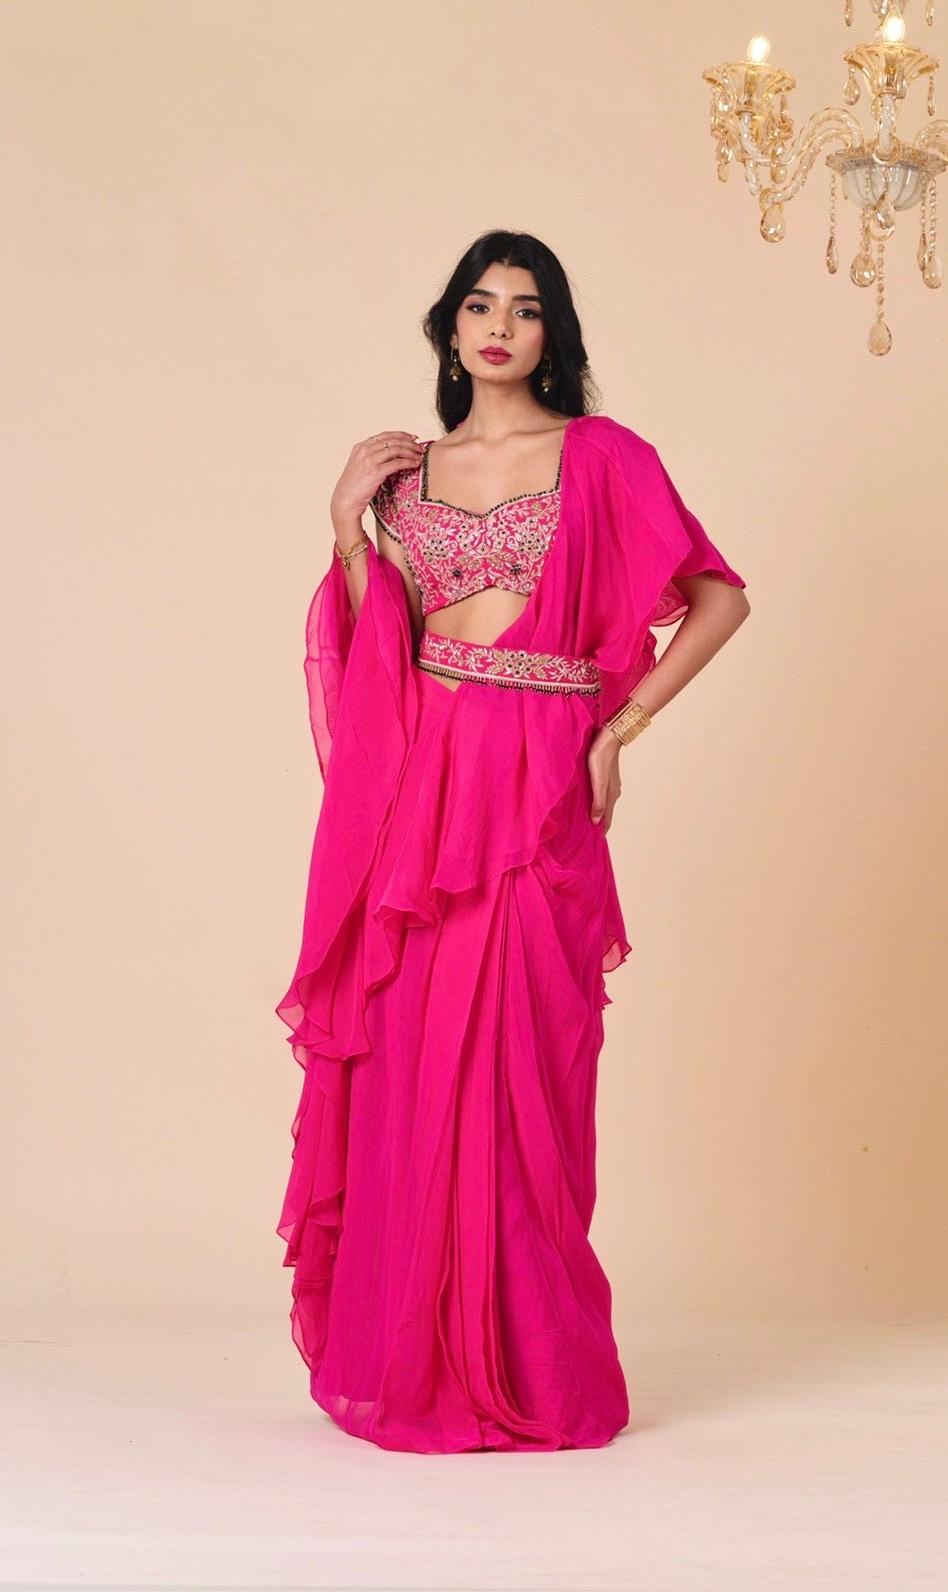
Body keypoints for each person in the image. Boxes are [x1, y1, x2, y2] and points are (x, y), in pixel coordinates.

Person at [273, 230, 751, 1453]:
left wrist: (620, 728)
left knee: (529, 1073)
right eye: (479, 305)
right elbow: (379, 655)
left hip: (538, 786)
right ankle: (415, 1361)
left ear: (553, 334)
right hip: (423, 796)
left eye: (526, 309)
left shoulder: (603, 456)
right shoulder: (407, 474)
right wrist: (346, 527)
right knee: (412, 1067)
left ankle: (533, 1367)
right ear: (449, 327)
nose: (499, 326)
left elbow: (720, 598)